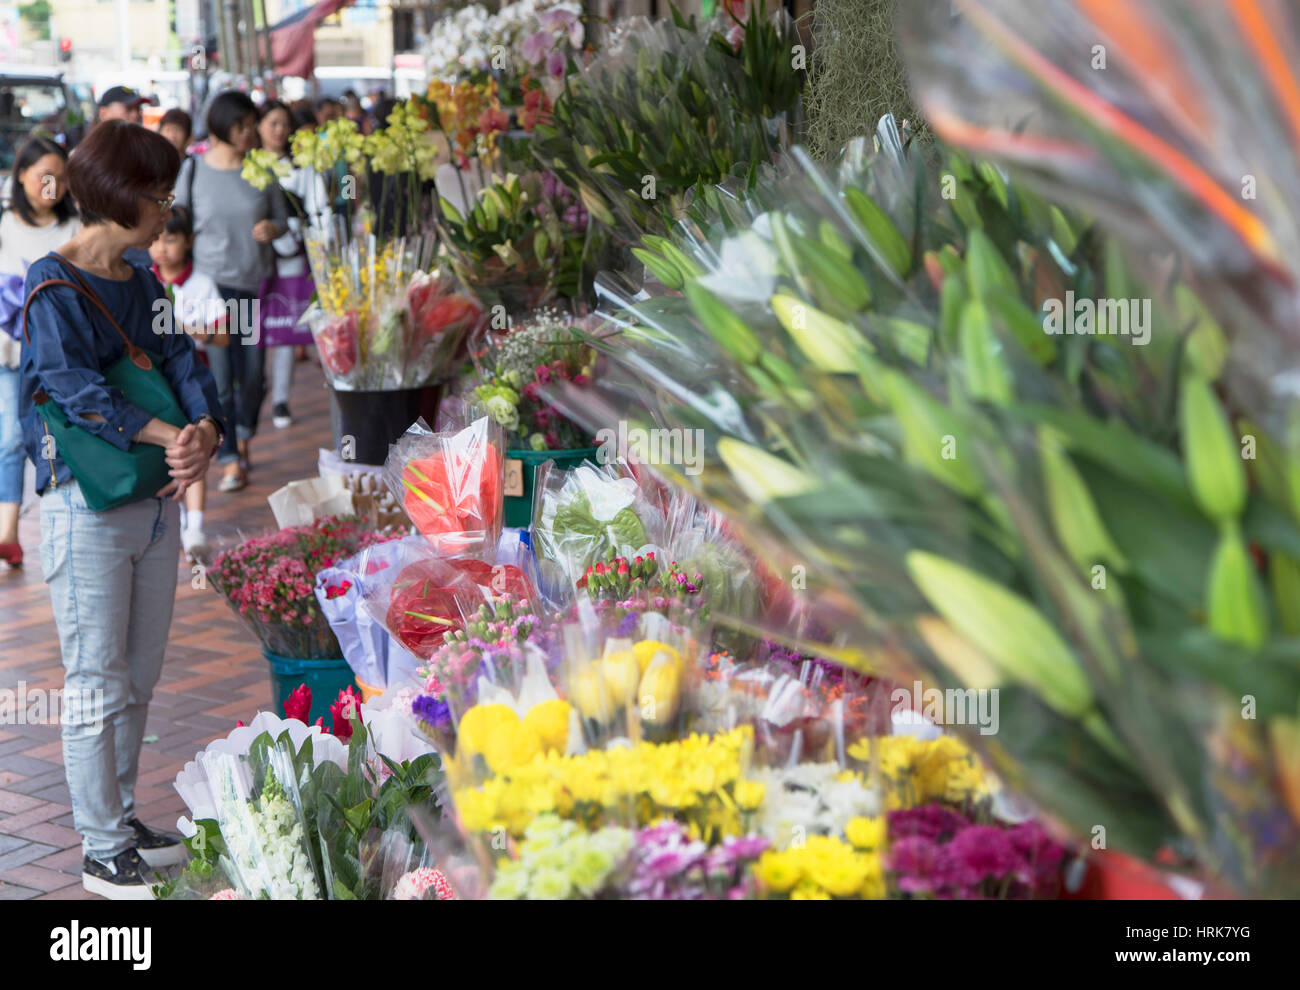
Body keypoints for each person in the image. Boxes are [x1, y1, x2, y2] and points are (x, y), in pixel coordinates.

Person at [19, 120, 225, 898]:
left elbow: (182, 360)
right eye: (158, 194)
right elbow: (75, 390)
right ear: (120, 195)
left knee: (137, 678)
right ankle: (101, 847)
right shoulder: (50, 284)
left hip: (156, 500)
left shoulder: (143, 279)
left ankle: (124, 817)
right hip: (89, 508)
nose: (167, 210)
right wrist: (177, 435)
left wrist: (204, 431)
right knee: (96, 680)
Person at [174, 90, 288, 493]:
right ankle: (229, 457)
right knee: (220, 376)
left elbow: (283, 217)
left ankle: (242, 433)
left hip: (250, 286)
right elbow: (177, 223)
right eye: (240, 125)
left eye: (249, 125)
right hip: (210, 289)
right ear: (222, 126)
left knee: (254, 374)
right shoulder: (193, 170)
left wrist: (273, 229)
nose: (248, 133)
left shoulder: (260, 169)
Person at [0, 137, 81, 568]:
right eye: (43, 177)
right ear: (22, 178)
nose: (52, 186)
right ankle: (8, 531)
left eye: (61, 178)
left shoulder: (75, 229)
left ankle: (66, 521)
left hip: (63, 355)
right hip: (11, 353)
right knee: (12, 437)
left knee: (64, 435)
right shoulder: (4, 225)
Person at [148, 204, 223, 559]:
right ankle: (170, 524)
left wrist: (189, 332)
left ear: (189, 241)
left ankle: (194, 527)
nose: (162, 247)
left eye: (172, 238)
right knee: (165, 449)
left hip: (191, 381)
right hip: (152, 383)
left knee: (192, 444)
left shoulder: (202, 283)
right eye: (157, 238)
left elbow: (224, 335)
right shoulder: (141, 281)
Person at [257, 100, 327, 430]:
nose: (279, 130)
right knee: (251, 326)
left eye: (284, 124)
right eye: (272, 123)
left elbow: (319, 212)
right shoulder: (249, 166)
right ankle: (254, 391)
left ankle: (281, 398)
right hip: (253, 260)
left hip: (290, 255)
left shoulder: (302, 167)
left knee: (286, 324)